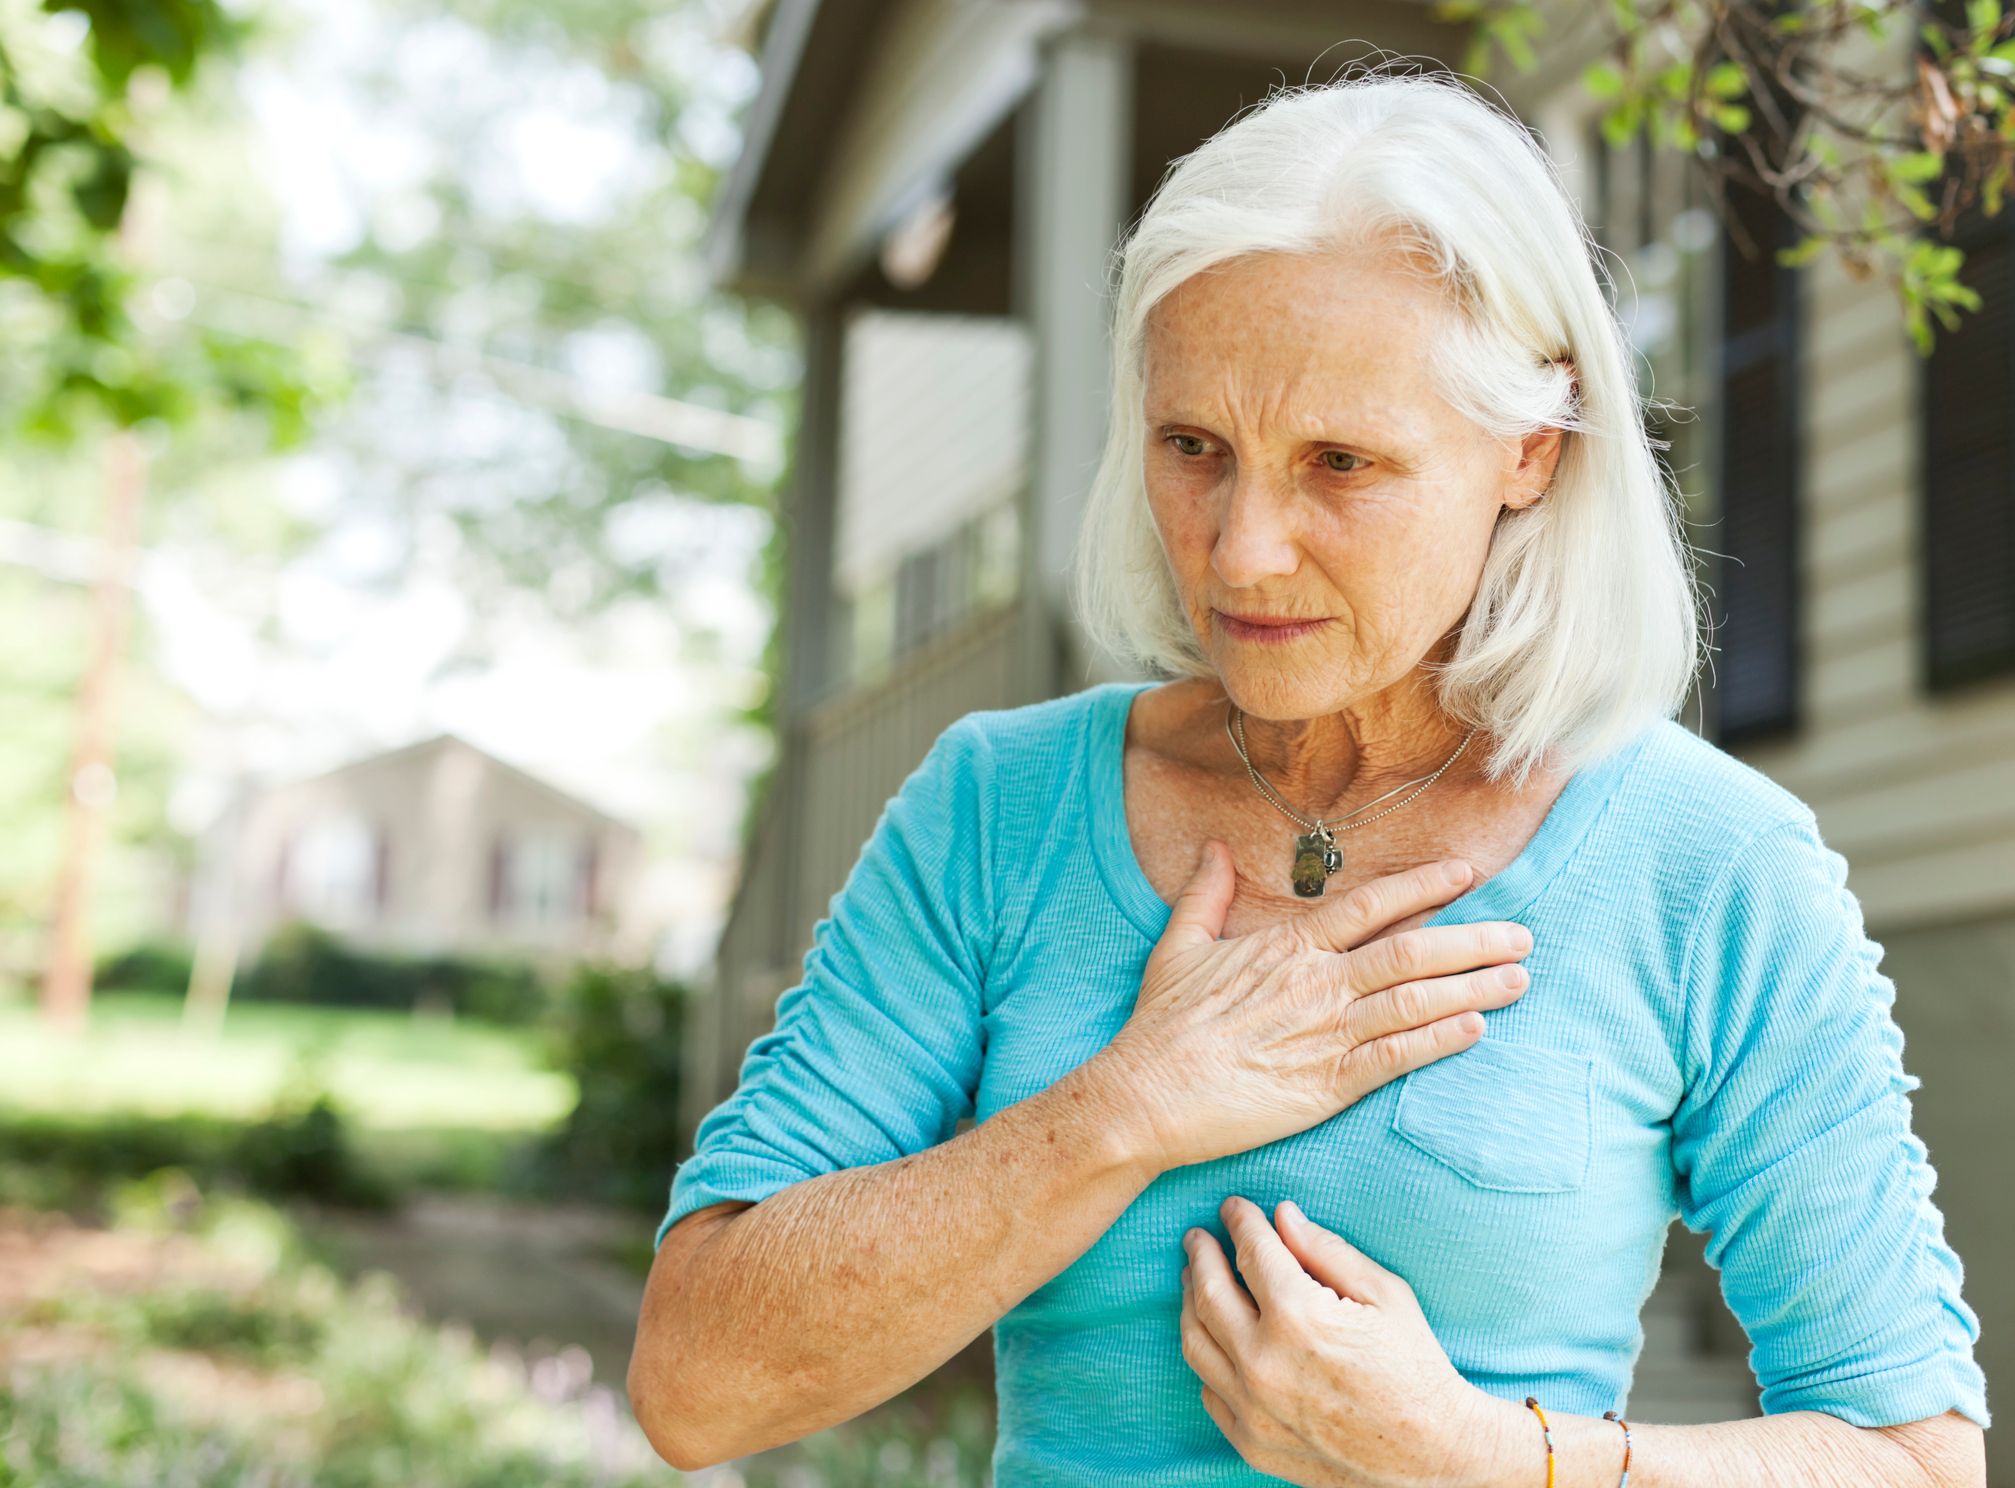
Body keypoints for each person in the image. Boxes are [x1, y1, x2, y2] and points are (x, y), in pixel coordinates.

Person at [628, 63, 1992, 1486]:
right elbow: (695, 1386)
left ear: (1530, 449)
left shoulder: (1708, 863)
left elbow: (1913, 1459)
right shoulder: (998, 809)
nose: (1241, 549)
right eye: (1193, 448)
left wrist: (1480, 1456)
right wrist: (1128, 1105)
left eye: (1340, 462)